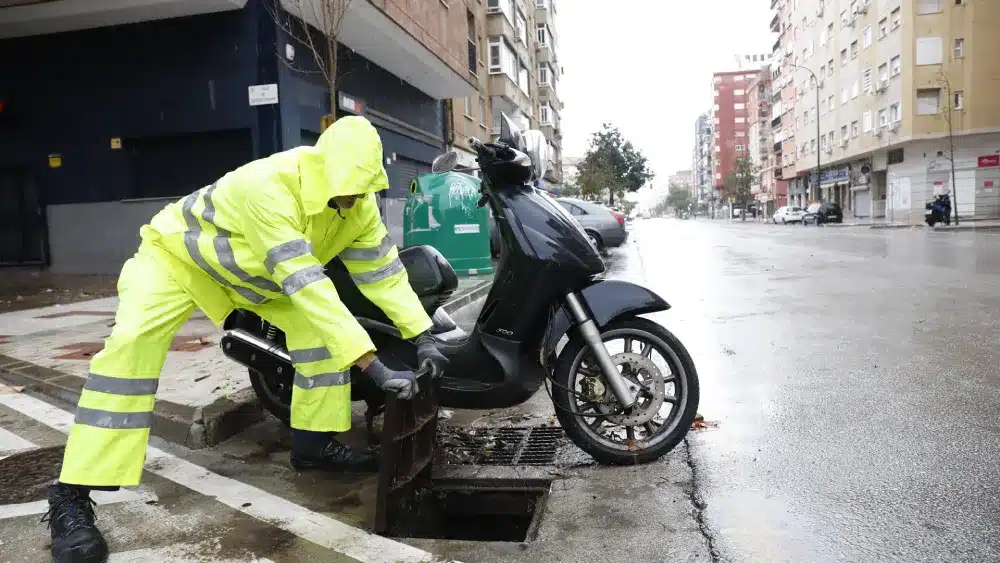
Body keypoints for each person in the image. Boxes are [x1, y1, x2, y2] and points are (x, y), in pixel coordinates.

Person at [42, 116, 449, 563]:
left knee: (319, 334)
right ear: (324, 170)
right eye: (346, 188)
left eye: (362, 189)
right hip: (177, 260)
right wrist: (373, 365)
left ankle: (313, 447)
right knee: (131, 349)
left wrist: (423, 335)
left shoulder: (359, 206)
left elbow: (384, 275)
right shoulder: (270, 186)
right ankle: (71, 496)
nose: (352, 199)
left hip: (252, 278)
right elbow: (307, 283)